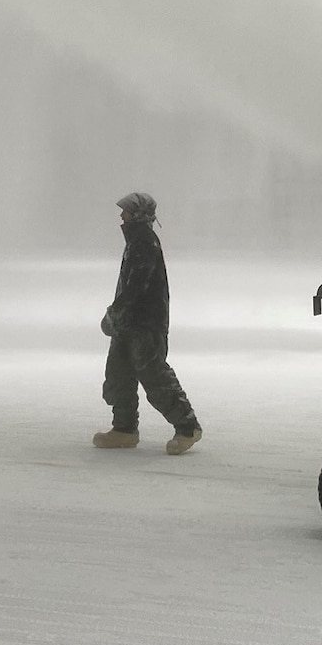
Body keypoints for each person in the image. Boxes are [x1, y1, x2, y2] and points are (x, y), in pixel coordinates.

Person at [92, 192, 202, 455]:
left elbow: (136, 288)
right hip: (127, 323)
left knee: (154, 376)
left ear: (138, 214)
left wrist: (113, 314)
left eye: (126, 211)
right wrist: (118, 318)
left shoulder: (144, 242)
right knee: (119, 375)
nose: (121, 215)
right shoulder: (136, 240)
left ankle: (188, 427)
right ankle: (124, 429)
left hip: (145, 325)